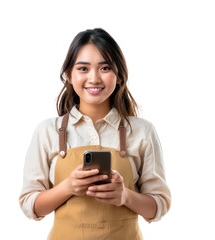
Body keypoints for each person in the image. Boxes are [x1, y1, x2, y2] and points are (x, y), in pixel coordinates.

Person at [19, 28, 171, 240]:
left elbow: (159, 207)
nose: (94, 78)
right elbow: (30, 206)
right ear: (69, 76)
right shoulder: (47, 131)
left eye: (105, 68)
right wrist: (68, 187)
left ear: (119, 76)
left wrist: (124, 196)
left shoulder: (143, 132)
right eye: (83, 68)